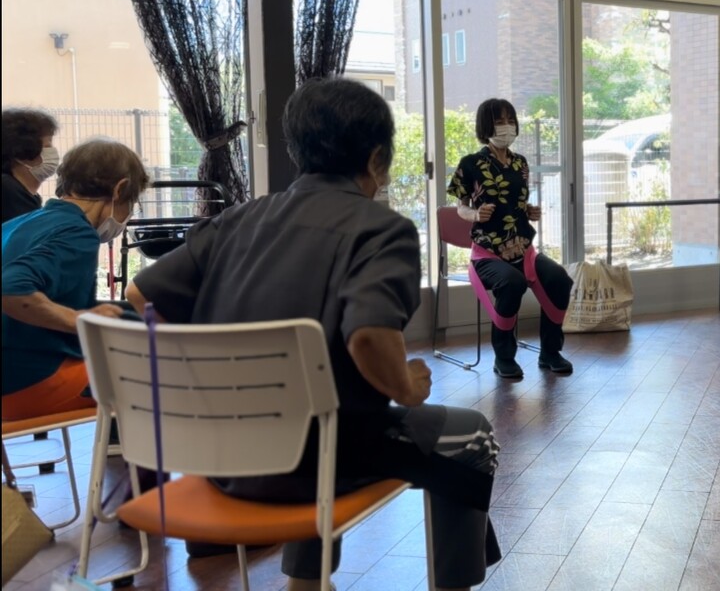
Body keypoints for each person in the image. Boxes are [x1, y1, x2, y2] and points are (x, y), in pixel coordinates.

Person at [128, 78, 500, 591]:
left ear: (296, 150)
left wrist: (200, 365)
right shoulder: (382, 230)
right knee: (473, 435)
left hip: (219, 456)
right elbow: (368, 336)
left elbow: (140, 296)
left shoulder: (237, 220)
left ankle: (305, 584)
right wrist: (407, 387)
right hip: (313, 464)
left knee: (323, 410)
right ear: (376, 160)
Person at [2, 138, 146, 421]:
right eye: (132, 203)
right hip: (25, 385)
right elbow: (11, 288)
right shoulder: (77, 232)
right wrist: (79, 319)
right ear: (119, 189)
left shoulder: (20, 223)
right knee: (165, 369)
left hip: (12, 374)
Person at [448, 98, 573, 379]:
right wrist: (475, 214)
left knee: (560, 280)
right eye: (499, 121)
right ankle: (504, 358)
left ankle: (550, 352)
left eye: (510, 120)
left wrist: (529, 211)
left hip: (523, 250)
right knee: (512, 283)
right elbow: (460, 207)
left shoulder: (520, 163)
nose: (506, 126)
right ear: (485, 126)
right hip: (487, 254)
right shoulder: (470, 164)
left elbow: (515, 202)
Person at [1, 108, 60, 223]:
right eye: (48, 146)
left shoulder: (27, 195)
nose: (54, 152)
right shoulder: (8, 191)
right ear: (21, 152)